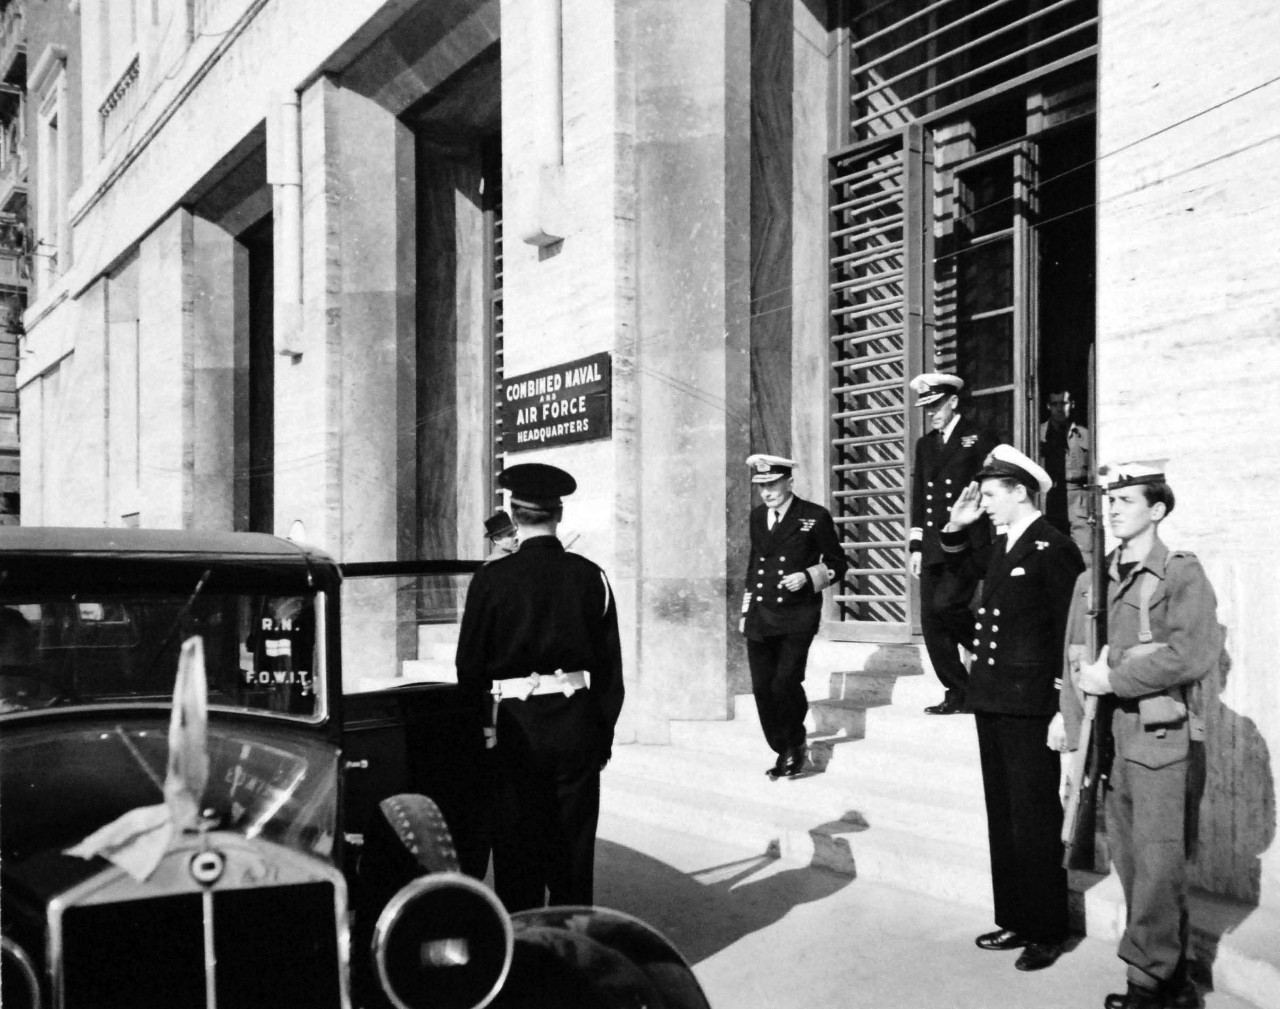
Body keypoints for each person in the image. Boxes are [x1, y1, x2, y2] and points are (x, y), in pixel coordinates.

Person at [1051, 462, 1221, 1009]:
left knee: (1158, 864)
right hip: (1108, 745)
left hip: (1159, 744)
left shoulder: (1178, 573)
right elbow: (1075, 660)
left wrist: (1116, 676)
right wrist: (1072, 738)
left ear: (1158, 509)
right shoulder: (1090, 580)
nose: (1115, 507)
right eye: (1111, 500)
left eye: (1127, 499)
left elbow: (1192, 654)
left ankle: (1148, 985)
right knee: (1132, 861)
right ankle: (1173, 980)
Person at [455, 462, 624, 912]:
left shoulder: (490, 579)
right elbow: (610, 672)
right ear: (559, 514)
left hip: (514, 729)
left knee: (516, 848)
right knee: (573, 851)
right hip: (575, 726)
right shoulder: (592, 577)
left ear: (513, 513)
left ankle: (525, 947)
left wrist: (480, 736)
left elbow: (469, 668)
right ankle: (573, 947)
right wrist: (599, 736)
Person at [941, 444, 1084, 971]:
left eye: (993, 494)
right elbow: (948, 601)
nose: (986, 504)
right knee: (1003, 815)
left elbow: (1071, 634)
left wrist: (1059, 706)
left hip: (1031, 703)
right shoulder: (1002, 545)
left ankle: (1047, 928)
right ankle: (1016, 917)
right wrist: (956, 532)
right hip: (993, 696)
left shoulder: (1054, 548)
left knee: (1035, 816)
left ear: (1021, 491)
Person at [741, 453, 849, 779]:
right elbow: (754, 566)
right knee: (763, 688)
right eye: (761, 486)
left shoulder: (814, 516)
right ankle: (783, 746)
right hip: (761, 613)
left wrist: (807, 576)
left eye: (773, 484)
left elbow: (838, 563)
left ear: (789, 482)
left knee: (785, 682)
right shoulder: (757, 517)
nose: (767, 492)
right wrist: (746, 613)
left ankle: (795, 742)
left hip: (797, 615)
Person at [908, 372, 996, 714]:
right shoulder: (925, 444)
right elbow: (920, 497)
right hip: (932, 544)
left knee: (947, 607)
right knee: (931, 622)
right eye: (927, 407)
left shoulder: (978, 436)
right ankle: (959, 691)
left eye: (936, 405)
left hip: (966, 543)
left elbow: (992, 487)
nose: (931, 413)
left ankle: (993, 653)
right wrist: (916, 546)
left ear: (954, 401)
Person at [1039, 390, 1091, 557]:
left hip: (1078, 498)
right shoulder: (1038, 434)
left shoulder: (1085, 434)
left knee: (1084, 551)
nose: (1059, 408)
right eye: (1055, 404)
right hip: (1050, 497)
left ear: (1072, 405)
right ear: (1048, 406)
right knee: (1051, 551)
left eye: (1064, 403)